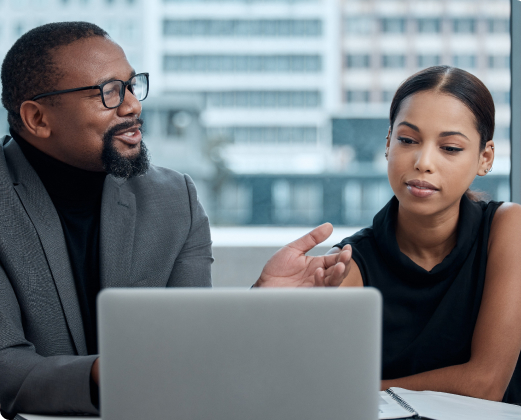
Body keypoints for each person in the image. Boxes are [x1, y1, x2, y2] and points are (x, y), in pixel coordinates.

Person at [0, 22, 352, 418]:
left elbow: (192, 350)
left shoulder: (172, 200)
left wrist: (261, 308)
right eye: (109, 92)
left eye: (133, 86)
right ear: (37, 119)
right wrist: (110, 372)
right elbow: (6, 369)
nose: (133, 106)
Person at [333, 65, 521, 405]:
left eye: (450, 147)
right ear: (388, 143)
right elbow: (306, 384)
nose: (423, 162)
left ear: (485, 157)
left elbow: (485, 385)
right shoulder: (349, 263)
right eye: (408, 140)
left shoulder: (509, 227)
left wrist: (371, 388)